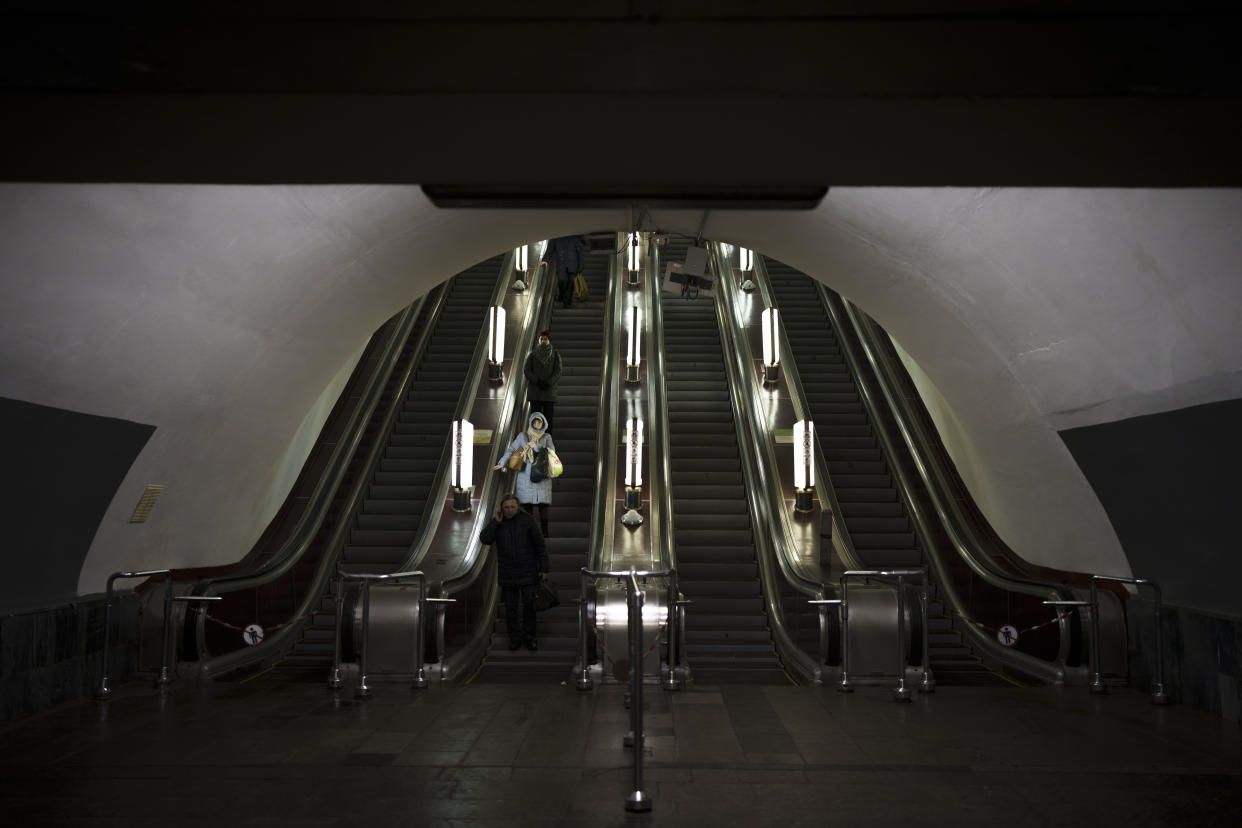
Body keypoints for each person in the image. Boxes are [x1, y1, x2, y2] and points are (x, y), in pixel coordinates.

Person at [479, 493, 548, 651]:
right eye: (506, 507)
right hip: (507, 572)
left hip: (529, 570)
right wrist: (495, 522)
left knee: (529, 606)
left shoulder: (527, 520)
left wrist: (544, 568)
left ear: (518, 507)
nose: (509, 510)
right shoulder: (498, 522)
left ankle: (530, 637)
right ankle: (515, 638)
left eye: (512, 507)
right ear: (501, 508)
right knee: (511, 608)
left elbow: (540, 545)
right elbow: (485, 539)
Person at [494, 411, 556, 537]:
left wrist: (537, 446)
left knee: (543, 506)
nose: (537, 424)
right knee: (528, 507)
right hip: (526, 475)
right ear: (531, 423)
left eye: (540, 422)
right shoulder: (523, 436)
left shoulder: (546, 437)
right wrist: (502, 462)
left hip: (541, 475)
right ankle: (530, 532)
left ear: (543, 423)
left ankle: (545, 532)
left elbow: (552, 452)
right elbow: (512, 449)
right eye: (535, 421)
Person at [523, 330, 562, 428]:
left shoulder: (555, 354)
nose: (543, 341)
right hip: (535, 392)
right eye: (541, 339)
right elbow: (527, 370)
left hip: (549, 392)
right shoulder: (532, 354)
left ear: (549, 341)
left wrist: (549, 383)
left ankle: (547, 441)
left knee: (548, 419)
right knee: (535, 419)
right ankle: (535, 441)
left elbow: (558, 371)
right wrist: (537, 381)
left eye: (546, 339)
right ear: (539, 340)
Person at [541, 235, 585, 308]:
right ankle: (562, 296)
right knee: (562, 280)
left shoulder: (575, 238)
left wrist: (581, 266)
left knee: (571, 283)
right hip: (561, 265)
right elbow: (550, 249)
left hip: (573, 265)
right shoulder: (557, 238)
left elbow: (580, 253)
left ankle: (567, 302)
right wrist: (545, 260)